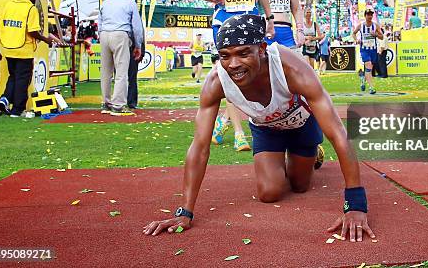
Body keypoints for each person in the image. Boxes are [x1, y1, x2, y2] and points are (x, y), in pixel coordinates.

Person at [142, 14, 374, 243]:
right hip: (267, 129)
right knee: (269, 193)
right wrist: (185, 212)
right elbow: (200, 145)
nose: (234, 64)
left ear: (262, 48)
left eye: (243, 53)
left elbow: (338, 133)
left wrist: (355, 204)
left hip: (301, 124)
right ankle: (284, 158)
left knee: (300, 186)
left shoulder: (292, 69)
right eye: (225, 56)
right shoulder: (215, 82)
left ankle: (312, 153)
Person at [188, 0, 275, 152]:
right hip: (225, 24)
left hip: (250, 22)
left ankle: (224, 123)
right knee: (231, 77)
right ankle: (239, 133)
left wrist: (270, 18)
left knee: (255, 77)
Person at [0, 0, 60, 117]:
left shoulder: (9, 5)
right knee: (23, 79)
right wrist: (45, 39)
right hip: (23, 50)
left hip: (8, 48)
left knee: (13, 76)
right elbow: (33, 31)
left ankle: (5, 98)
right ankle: (17, 110)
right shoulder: (30, 9)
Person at [98, 0, 143, 116]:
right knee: (121, 71)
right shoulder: (130, 2)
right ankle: (118, 104)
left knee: (105, 72)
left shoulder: (106, 3)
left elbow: (99, 23)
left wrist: (101, 35)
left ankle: (105, 103)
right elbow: (136, 26)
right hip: (121, 34)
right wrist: (138, 44)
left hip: (105, 34)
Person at [352, 9, 383, 95]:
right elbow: (353, 33)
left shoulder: (375, 25)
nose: (370, 16)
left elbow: (382, 37)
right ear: (365, 16)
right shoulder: (360, 25)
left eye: (371, 15)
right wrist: (356, 40)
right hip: (364, 49)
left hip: (373, 49)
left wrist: (375, 34)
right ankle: (371, 87)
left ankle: (363, 79)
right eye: (368, 15)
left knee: (369, 68)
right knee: (368, 65)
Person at [127, 25, 145, 110]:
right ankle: (130, 101)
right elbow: (141, 37)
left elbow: (141, 37)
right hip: (132, 51)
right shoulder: (137, 22)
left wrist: (142, 53)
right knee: (130, 78)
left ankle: (129, 101)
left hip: (133, 52)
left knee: (129, 78)